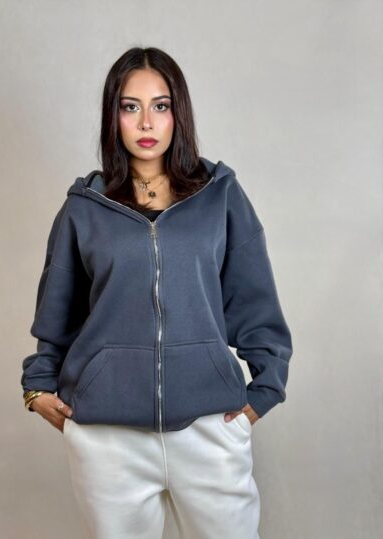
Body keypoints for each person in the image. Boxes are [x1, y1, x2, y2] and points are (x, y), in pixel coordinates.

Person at [21, 46, 293, 539]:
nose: (146, 122)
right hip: (109, 439)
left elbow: (255, 300)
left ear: (177, 114)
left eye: (160, 106)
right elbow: (57, 310)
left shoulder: (220, 196)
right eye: (131, 106)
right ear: (113, 117)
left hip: (209, 427)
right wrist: (38, 386)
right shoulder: (85, 207)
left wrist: (266, 386)